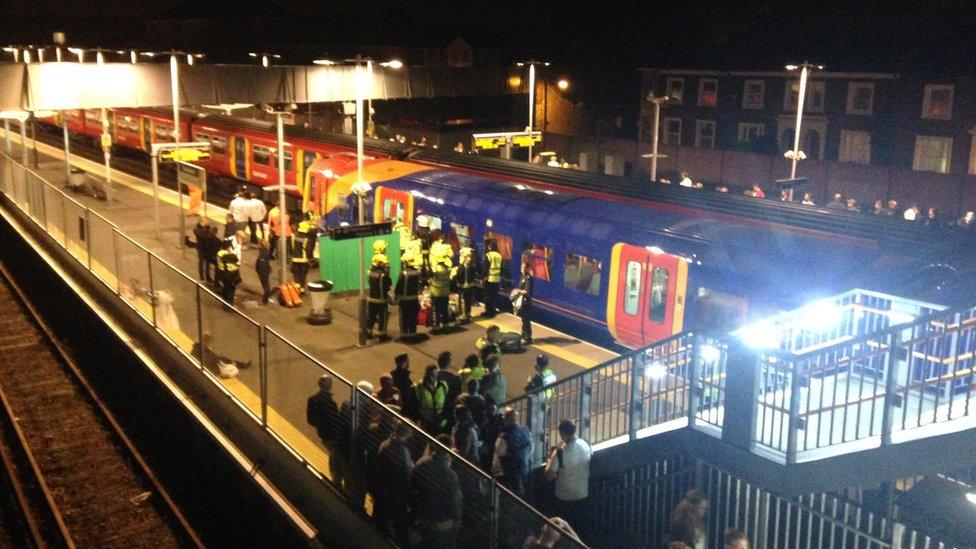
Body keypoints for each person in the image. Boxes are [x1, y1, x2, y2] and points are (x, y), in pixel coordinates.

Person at [408, 434, 462, 549]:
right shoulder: (451, 475)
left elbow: (412, 488)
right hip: (440, 523)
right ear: (448, 451)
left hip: (422, 518)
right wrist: (457, 521)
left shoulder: (421, 464)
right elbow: (455, 502)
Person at [546, 419, 592, 540]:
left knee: (563, 533)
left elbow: (549, 475)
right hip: (582, 495)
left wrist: (550, 459)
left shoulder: (560, 452)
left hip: (564, 497)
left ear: (562, 434)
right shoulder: (585, 445)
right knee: (579, 532)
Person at [373, 421, 414, 546]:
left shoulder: (386, 444)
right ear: (407, 434)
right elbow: (407, 474)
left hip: (383, 490)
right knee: (399, 525)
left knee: (381, 518)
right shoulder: (401, 451)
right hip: (395, 494)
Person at [492, 408, 532, 496]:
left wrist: (495, 470)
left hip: (509, 471)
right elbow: (530, 449)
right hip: (525, 467)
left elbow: (499, 454)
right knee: (522, 494)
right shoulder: (526, 431)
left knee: (510, 495)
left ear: (506, 420)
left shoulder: (504, 436)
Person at [306, 375, 340, 452]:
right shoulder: (327, 400)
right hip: (330, 433)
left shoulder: (314, 399)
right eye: (330, 383)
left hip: (324, 432)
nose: (331, 385)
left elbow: (310, 420)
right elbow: (335, 417)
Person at [395, 252, 423, 341]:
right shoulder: (417, 272)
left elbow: (399, 286)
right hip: (414, 299)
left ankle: (404, 335)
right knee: (413, 318)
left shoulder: (403, 273)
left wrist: (396, 295)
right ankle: (412, 334)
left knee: (404, 318)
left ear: (406, 262)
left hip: (404, 300)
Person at [415, 364, 449, 434]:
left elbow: (446, 404)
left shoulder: (443, 386)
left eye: (433, 375)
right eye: (429, 375)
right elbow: (415, 404)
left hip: (439, 422)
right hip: (424, 423)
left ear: (437, 374)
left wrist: (443, 422)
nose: (431, 378)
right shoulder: (419, 387)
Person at [366, 254, 392, 340]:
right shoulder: (384, 275)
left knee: (371, 317)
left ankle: (368, 332)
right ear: (380, 263)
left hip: (371, 299)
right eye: (384, 263)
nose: (386, 265)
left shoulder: (370, 273)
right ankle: (382, 335)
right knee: (383, 318)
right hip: (381, 300)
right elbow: (388, 285)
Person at [429, 253, 453, 333]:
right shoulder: (447, 269)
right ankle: (445, 326)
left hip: (436, 293)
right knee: (444, 310)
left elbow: (430, 277)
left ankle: (436, 327)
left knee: (436, 310)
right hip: (445, 292)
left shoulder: (434, 269)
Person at [436, 351, 463, 422]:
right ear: (449, 364)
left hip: (434, 412)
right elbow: (458, 396)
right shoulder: (455, 379)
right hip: (449, 413)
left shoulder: (432, 377)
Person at [479, 396, 503, 470]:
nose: (489, 411)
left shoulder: (498, 420)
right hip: (490, 447)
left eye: (491, 409)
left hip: (494, 446)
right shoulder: (488, 420)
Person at [391, 354, 418, 418]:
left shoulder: (393, 375)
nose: (409, 363)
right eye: (408, 361)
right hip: (404, 411)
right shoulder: (403, 378)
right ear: (404, 363)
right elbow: (406, 396)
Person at [215, 239, 241, 305]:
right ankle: (229, 304)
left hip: (221, 271)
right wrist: (231, 251)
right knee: (231, 290)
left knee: (225, 288)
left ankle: (225, 302)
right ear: (227, 247)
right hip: (229, 274)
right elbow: (235, 259)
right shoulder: (227, 254)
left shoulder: (220, 252)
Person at [516, 258, 535, 344]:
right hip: (522, 301)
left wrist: (518, 292)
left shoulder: (528, 278)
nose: (522, 268)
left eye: (524, 267)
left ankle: (528, 337)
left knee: (526, 319)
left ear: (527, 269)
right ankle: (523, 334)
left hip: (526, 301)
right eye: (522, 267)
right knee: (523, 319)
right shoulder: (523, 276)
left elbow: (527, 291)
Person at [483, 239, 502, 317]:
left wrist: (483, 277)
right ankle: (493, 312)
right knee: (494, 296)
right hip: (497, 279)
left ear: (490, 246)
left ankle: (488, 312)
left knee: (488, 297)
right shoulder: (499, 255)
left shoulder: (488, 255)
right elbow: (502, 268)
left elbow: (486, 268)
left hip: (489, 279)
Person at [255, 240, 275, 305]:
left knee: (266, 287)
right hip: (264, 272)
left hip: (263, 273)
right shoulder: (264, 252)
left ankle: (265, 300)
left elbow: (262, 264)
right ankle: (268, 296)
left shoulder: (264, 253)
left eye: (259, 244)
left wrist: (261, 273)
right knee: (266, 286)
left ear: (262, 245)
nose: (258, 246)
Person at [193, 217, 212, 282]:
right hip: (201, 248)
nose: (207, 222)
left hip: (208, 248)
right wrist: (206, 229)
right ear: (201, 222)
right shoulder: (197, 229)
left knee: (208, 263)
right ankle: (202, 276)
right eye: (205, 221)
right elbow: (201, 236)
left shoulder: (208, 228)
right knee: (201, 262)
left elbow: (210, 236)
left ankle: (208, 277)